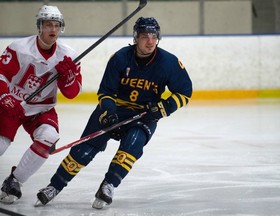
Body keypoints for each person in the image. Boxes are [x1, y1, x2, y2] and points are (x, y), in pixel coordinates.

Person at [36, 17, 192, 209]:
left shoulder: (169, 62)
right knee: (83, 151)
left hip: (144, 114)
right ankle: (54, 186)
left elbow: (185, 91)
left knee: (132, 144)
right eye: (145, 36)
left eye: (154, 36)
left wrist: (163, 108)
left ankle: (108, 185)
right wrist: (109, 112)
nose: (150, 41)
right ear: (136, 37)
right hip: (113, 110)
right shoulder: (120, 58)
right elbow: (106, 92)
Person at [0, 5, 82, 204]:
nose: (52, 30)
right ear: (40, 27)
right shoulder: (19, 48)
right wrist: (4, 96)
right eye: (48, 25)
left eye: (56, 25)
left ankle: (15, 181)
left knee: (49, 137)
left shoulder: (68, 54)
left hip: (41, 109)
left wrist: (67, 78)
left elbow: (72, 93)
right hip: (12, 106)